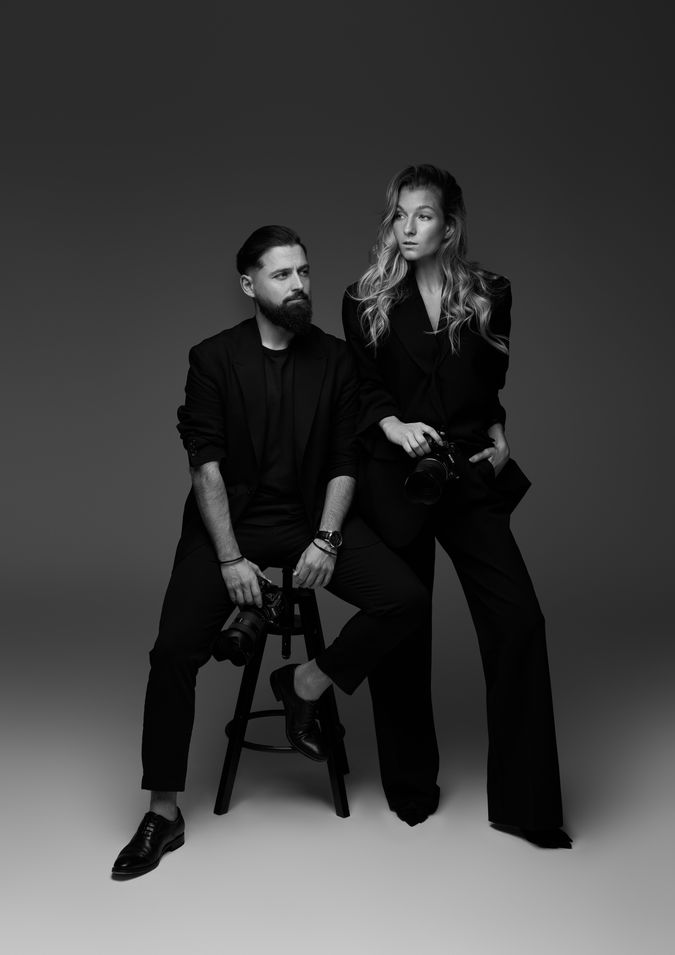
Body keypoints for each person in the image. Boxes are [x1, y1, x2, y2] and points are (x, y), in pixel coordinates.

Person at [112, 225, 429, 879]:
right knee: (172, 652)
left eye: (304, 272)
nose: (298, 285)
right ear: (248, 284)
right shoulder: (213, 358)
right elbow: (205, 467)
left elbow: (344, 461)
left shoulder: (334, 359)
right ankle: (163, 812)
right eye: (282, 275)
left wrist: (327, 538)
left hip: (310, 521)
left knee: (404, 598)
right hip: (229, 527)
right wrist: (230, 559)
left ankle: (304, 681)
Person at [342, 165, 571, 848]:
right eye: (399, 215)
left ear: (449, 226)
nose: (407, 228)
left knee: (518, 622)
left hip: (468, 476)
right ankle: (410, 788)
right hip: (397, 477)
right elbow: (363, 389)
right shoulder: (364, 298)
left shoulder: (491, 293)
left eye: (423, 215)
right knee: (403, 630)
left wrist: (500, 436)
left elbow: (489, 383)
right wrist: (393, 427)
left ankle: (529, 805)